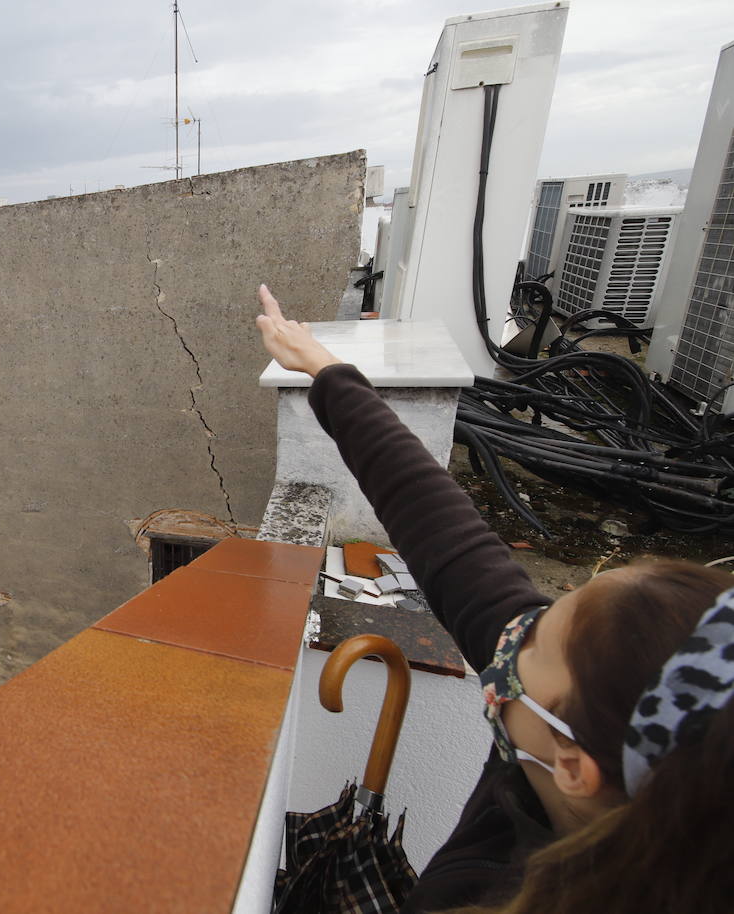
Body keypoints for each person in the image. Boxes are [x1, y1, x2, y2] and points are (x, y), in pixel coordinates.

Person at [254, 285, 734, 913]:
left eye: (532, 643)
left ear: (573, 766)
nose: (509, 635)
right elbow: (442, 529)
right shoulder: (592, 775)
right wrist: (326, 371)